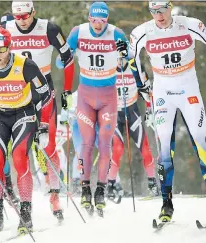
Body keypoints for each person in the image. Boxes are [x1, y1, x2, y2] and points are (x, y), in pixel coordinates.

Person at [129, 0, 206, 222]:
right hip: (162, 93)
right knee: (163, 148)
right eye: (154, 11)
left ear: (170, 7)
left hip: (188, 90)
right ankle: (166, 204)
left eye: (162, 10)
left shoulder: (189, 24)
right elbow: (132, 57)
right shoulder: (143, 31)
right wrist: (141, 84)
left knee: (201, 144)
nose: (159, 15)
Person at [4, 0, 74, 221]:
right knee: (18, 146)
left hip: (44, 91)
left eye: (26, 16)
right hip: (18, 91)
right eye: (18, 17)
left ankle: (55, 196)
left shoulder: (49, 28)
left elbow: (68, 58)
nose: (22, 21)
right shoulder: (7, 27)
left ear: (33, 12)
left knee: (49, 143)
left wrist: (68, 92)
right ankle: (19, 198)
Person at [65, 1, 135, 213]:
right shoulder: (78, 32)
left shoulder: (116, 33)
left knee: (105, 145)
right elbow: (62, 62)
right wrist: (66, 52)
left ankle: (101, 191)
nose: (98, 24)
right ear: (89, 18)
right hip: (85, 96)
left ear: (107, 20)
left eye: (102, 20)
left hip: (108, 97)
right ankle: (86, 189)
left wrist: (126, 51)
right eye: (94, 19)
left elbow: (131, 58)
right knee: (86, 143)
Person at [0, 27, 52, 234]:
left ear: (9, 48)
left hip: (24, 113)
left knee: (19, 156)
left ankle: (26, 214)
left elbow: (45, 92)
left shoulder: (26, 65)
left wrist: (43, 123)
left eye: (1, 50)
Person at [108, 59, 159, 199]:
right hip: (114, 113)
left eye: (122, 57)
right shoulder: (108, 66)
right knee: (117, 149)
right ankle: (110, 185)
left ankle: (152, 183)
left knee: (145, 148)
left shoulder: (135, 66)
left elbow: (148, 91)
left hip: (132, 111)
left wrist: (149, 110)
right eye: (116, 57)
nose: (119, 60)